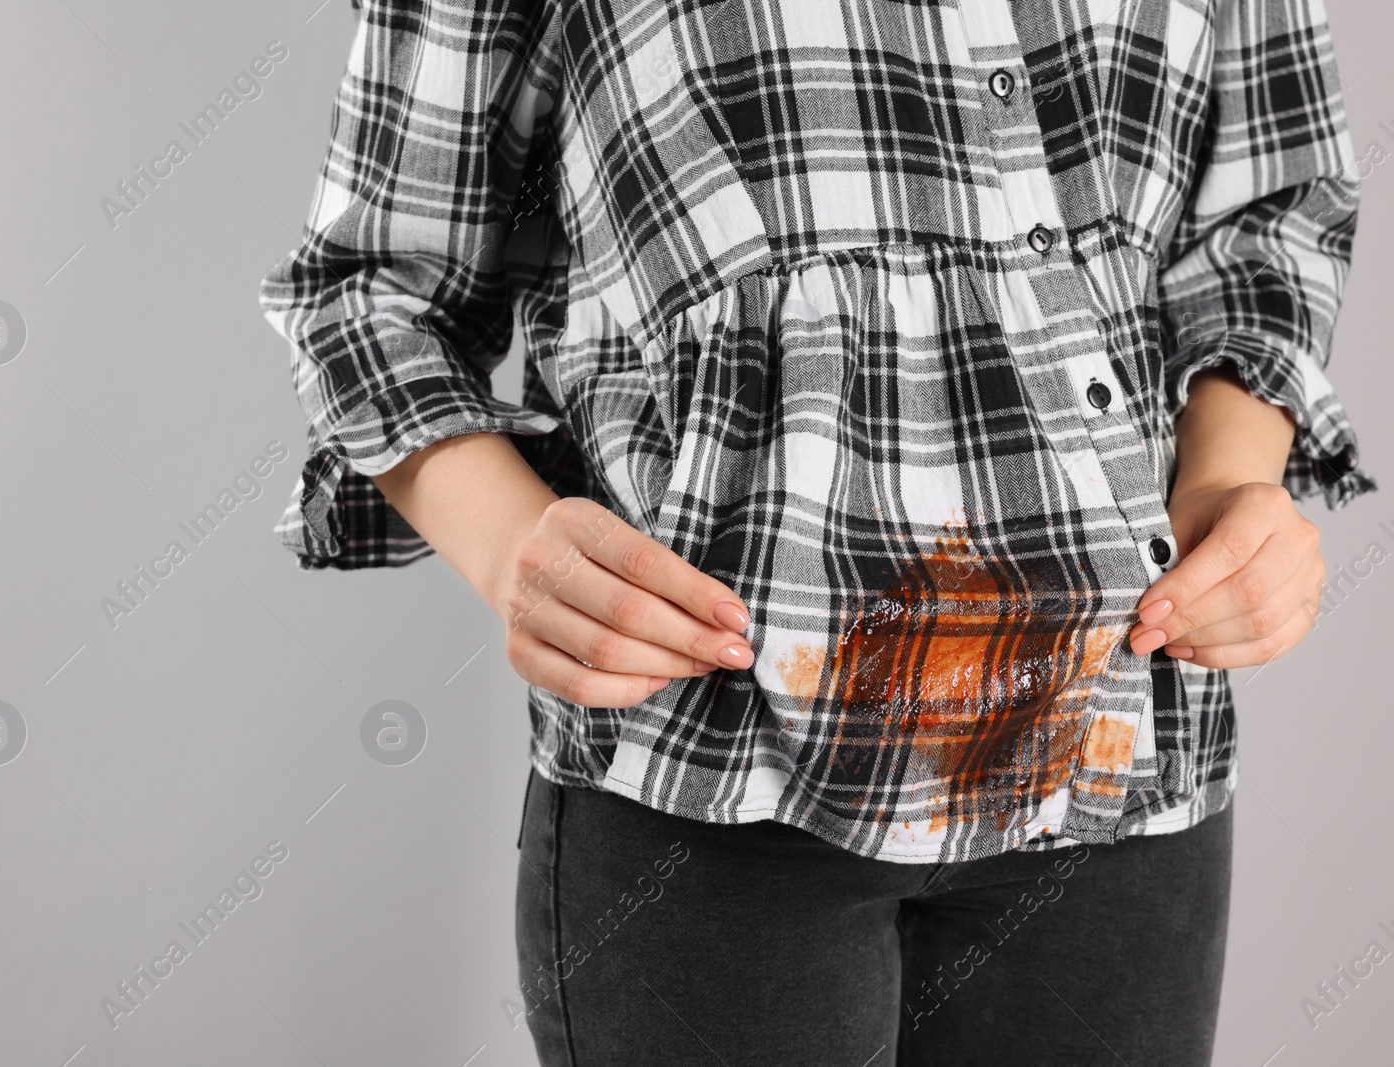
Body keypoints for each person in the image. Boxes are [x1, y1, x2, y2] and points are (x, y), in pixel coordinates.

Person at [258, 0, 1372, 1062]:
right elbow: (370, 290)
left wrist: (1232, 482)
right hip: (709, 779)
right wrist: (514, 550)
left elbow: (1270, 217)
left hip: (1121, 768)